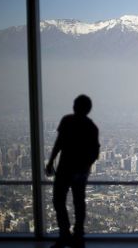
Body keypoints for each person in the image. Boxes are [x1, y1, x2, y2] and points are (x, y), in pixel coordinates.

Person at [45, 95, 100, 248]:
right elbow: (95, 152)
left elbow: (59, 142)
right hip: (78, 172)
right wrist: (85, 167)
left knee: (59, 200)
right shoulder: (91, 127)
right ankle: (77, 235)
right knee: (78, 202)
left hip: (65, 169)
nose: (74, 106)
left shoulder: (67, 121)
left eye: (76, 104)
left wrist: (51, 161)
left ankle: (65, 234)